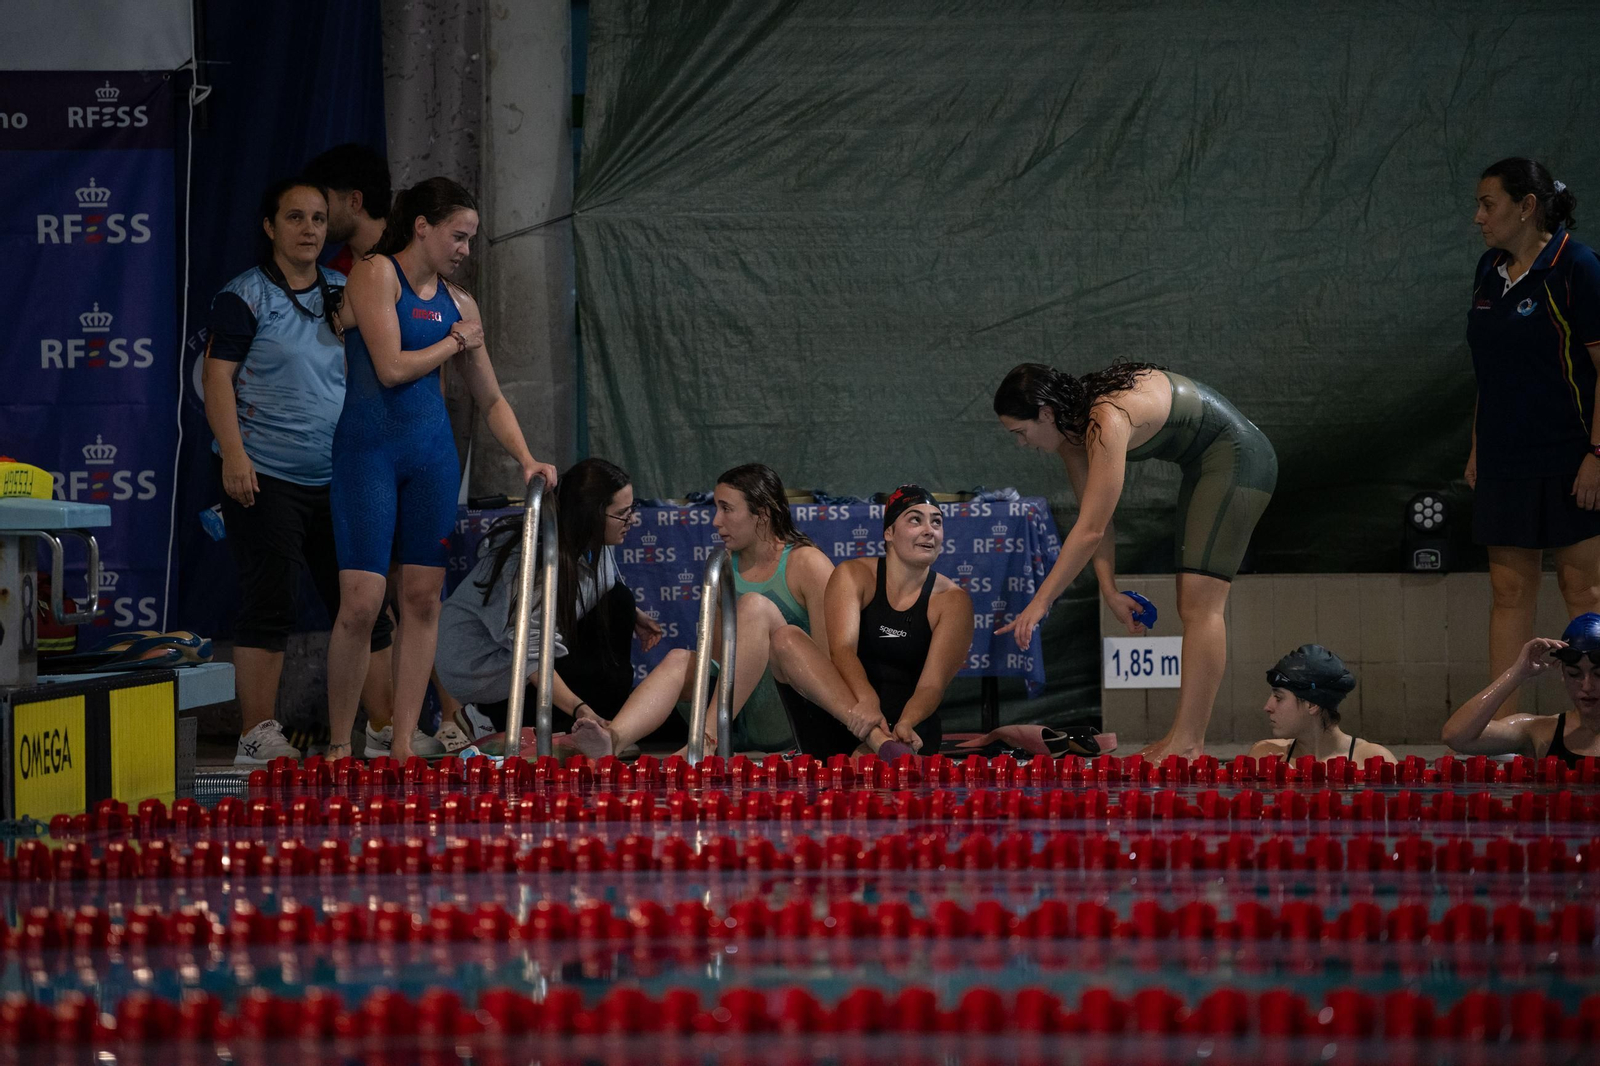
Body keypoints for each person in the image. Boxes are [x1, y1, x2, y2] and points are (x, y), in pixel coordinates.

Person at [325, 177, 559, 760]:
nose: (465, 250)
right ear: (423, 226)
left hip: (430, 457)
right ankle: (336, 743)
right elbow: (391, 369)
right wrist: (455, 343)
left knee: (424, 598)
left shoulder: (460, 304)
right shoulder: (377, 272)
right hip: (368, 454)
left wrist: (527, 457)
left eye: (471, 239)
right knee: (360, 599)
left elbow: (492, 399)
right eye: (459, 236)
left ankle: (404, 742)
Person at [202, 177, 396, 766]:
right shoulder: (244, 296)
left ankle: (385, 730)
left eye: (317, 218)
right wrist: (234, 456)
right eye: (294, 218)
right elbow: (217, 381)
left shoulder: (347, 288)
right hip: (265, 476)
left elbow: (382, 364)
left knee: (365, 607)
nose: (309, 229)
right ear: (270, 227)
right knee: (270, 606)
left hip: (340, 475)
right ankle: (256, 736)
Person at [993, 362, 1277, 760]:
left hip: (1239, 458)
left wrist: (1040, 603)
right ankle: (1182, 737)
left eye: (1020, 433)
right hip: (1207, 462)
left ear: (1045, 412)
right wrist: (1109, 590)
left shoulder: (1105, 417)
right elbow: (1097, 519)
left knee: (1199, 604)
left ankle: (1189, 742)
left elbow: (1089, 530)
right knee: (1191, 601)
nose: (1022, 443)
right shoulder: (1072, 434)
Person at [570, 463, 868, 757]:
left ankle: (705, 740)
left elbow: (832, 660)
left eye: (727, 509)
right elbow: (713, 659)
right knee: (677, 659)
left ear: (761, 514)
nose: (715, 521)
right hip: (736, 714)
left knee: (754, 606)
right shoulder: (723, 565)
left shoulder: (807, 563)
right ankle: (613, 739)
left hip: (793, 710)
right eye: (716, 508)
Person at [1466, 159, 1600, 718]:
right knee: (1510, 593)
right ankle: (1500, 728)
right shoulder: (1488, 269)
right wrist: (1478, 448)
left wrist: (1597, 455)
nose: (1478, 217)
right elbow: (1488, 370)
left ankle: (1594, 726)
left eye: (1488, 204)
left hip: (1571, 457)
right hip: (1505, 458)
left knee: (1583, 594)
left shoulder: (1578, 266)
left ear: (1526, 207)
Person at [434, 458, 662, 731]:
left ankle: (594, 714)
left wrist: (635, 615)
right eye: (623, 513)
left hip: (522, 656)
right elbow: (530, 656)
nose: (632, 519)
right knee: (602, 681)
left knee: (619, 602)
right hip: (487, 673)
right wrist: (582, 709)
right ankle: (486, 718)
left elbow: (603, 588)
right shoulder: (531, 565)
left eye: (632, 509)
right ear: (591, 515)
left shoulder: (591, 542)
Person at [803, 485, 975, 756]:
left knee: (872, 771)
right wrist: (867, 700)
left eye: (937, 522)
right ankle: (876, 740)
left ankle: (886, 745)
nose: (929, 530)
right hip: (851, 714)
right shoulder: (853, 575)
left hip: (909, 728)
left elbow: (932, 685)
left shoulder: (952, 601)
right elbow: (842, 650)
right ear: (889, 533)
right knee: (786, 638)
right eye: (915, 519)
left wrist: (906, 724)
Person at [1441, 613, 1600, 765]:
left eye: (1599, 674)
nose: (1587, 686)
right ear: (1563, 673)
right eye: (1574, 674)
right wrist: (1516, 673)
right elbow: (1456, 737)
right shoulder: (1541, 732)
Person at [1247, 645, 1395, 764]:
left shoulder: (1373, 760)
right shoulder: (1264, 756)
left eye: (1278, 698)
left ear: (1312, 704)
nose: (1267, 707)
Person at [300, 143, 391, 276]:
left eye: (323, 201)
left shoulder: (413, 260)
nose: (315, 214)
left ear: (355, 201)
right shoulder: (332, 273)